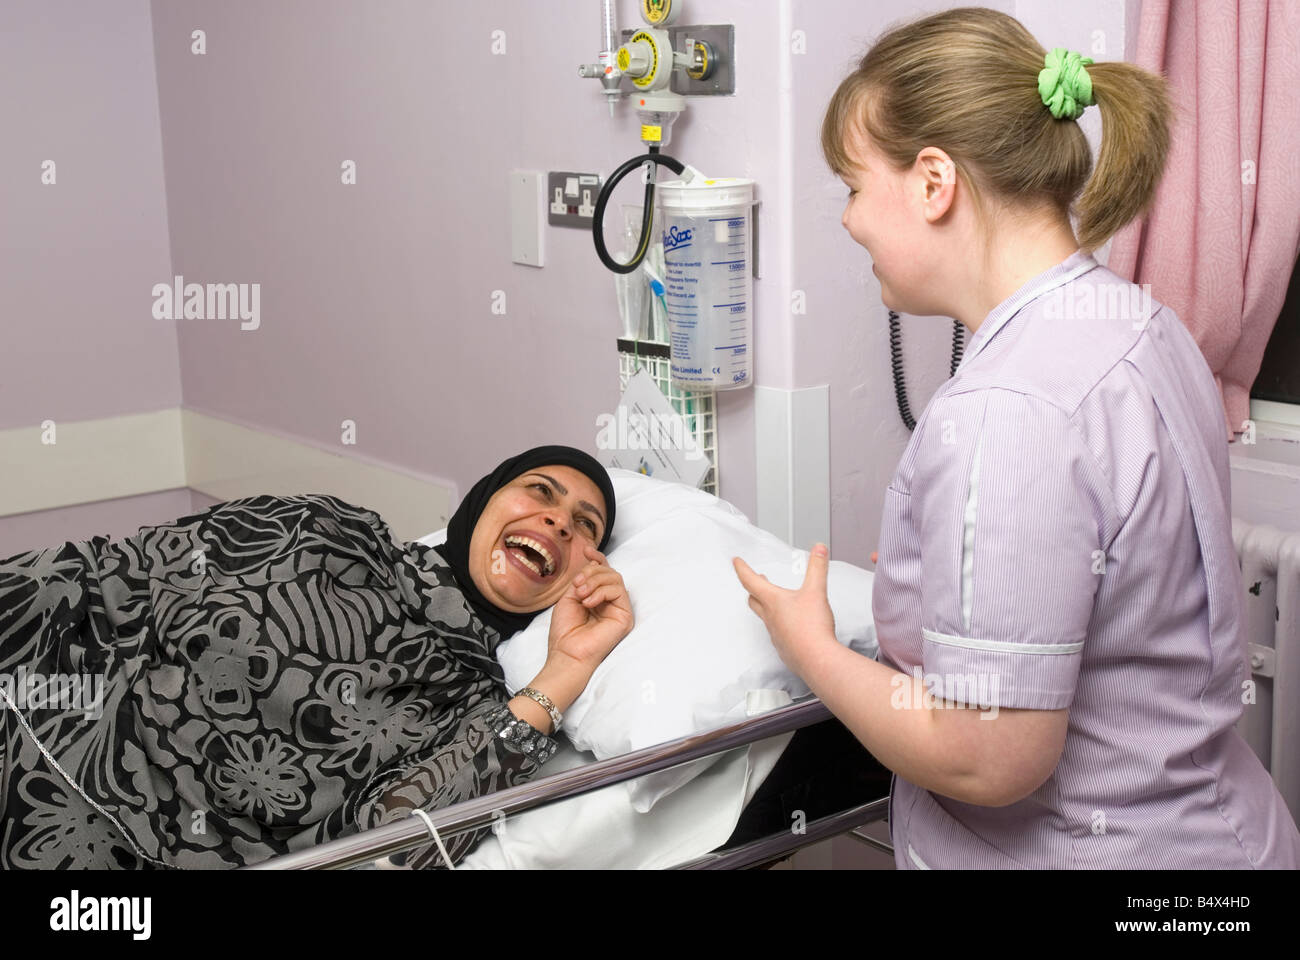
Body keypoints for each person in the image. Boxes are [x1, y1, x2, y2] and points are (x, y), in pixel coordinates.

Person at [733, 7, 1300, 868]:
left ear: (934, 181)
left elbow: (988, 757)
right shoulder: (1139, 322)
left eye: (852, 187)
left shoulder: (1008, 409)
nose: (849, 222)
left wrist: (810, 646)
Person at [0, 444, 632, 869]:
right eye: (540, 493)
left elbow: (392, 846)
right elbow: (117, 573)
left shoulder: (475, 713)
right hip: (41, 725)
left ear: (585, 568)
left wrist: (565, 671)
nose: (557, 523)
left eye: (585, 526)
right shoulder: (323, 528)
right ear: (485, 500)